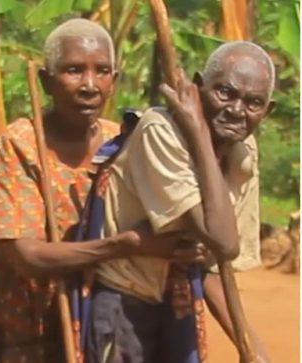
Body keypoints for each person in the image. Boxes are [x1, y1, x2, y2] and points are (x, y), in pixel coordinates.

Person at [0, 18, 185, 362]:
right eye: (73, 70)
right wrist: (123, 244)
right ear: (45, 80)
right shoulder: (21, 143)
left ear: (115, 79)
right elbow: (28, 256)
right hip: (21, 334)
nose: (89, 85)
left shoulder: (124, 144)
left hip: (91, 332)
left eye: (101, 71)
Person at [85, 41, 275, 363]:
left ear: (267, 112)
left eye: (253, 103)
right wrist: (198, 130)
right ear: (198, 89)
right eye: (225, 93)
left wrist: (250, 344)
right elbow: (224, 241)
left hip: (180, 304)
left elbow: (214, 263)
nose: (236, 110)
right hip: (124, 304)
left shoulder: (243, 152)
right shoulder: (161, 131)